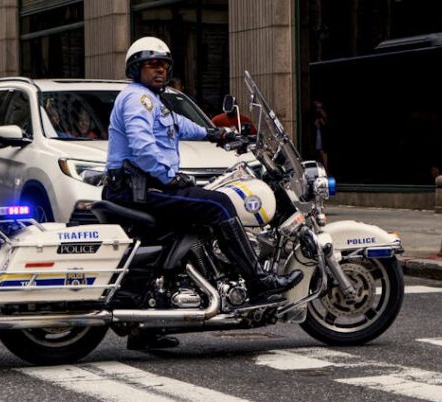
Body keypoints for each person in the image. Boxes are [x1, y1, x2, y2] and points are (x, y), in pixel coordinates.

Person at [103, 36, 303, 350]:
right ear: (136, 69)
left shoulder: (156, 101)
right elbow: (142, 148)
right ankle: (259, 283)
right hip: (137, 190)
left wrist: (216, 133)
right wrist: (171, 178)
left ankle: (147, 326)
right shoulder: (137, 99)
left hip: (139, 188)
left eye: (163, 65)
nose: (159, 70)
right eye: (151, 64)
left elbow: (180, 125)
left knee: (189, 225)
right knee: (220, 205)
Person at [312, 100, 329, 172]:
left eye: (319, 108)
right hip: (317, 136)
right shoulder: (314, 115)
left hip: (322, 136)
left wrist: (322, 120)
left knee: (323, 153)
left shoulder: (322, 114)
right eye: (317, 108)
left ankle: (325, 169)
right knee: (318, 153)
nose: (318, 109)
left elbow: (326, 123)